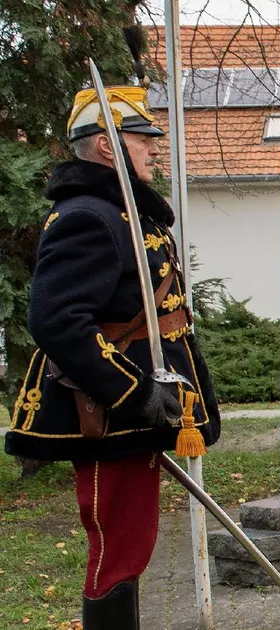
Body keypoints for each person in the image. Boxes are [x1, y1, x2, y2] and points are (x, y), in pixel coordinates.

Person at [5, 84, 221, 628]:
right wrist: (134, 392)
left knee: (132, 540)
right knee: (118, 546)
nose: (153, 147)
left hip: (138, 408)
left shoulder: (124, 213)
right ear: (107, 146)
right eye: (141, 138)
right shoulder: (89, 217)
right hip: (110, 410)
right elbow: (57, 321)